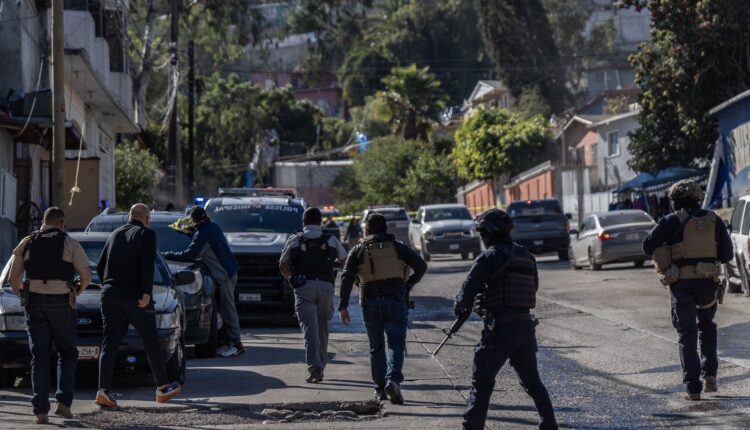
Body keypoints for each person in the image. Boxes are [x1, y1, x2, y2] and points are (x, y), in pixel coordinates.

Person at [455, 209, 557, 430]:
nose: (482, 236)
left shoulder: (488, 258)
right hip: (525, 328)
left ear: (489, 232)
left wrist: (462, 307)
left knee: (481, 382)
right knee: (532, 382)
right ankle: (549, 425)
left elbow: (464, 296)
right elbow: (533, 288)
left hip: (501, 329)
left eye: (482, 232)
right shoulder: (527, 257)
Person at [642, 180, 733, 400]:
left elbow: (647, 246)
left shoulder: (671, 221)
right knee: (707, 326)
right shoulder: (714, 220)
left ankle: (693, 387)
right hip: (708, 285)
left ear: (676, 201)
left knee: (687, 333)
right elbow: (727, 255)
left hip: (681, 285)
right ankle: (709, 374)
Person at [8, 207, 92, 424]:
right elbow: (86, 275)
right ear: (62, 223)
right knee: (67, 352)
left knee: (40, 356)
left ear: (43, 222)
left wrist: (23, 297)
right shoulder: (69, 243)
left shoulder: (27, 242)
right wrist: (77, 292)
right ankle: (64, 402)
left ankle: (40, 411)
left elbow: (13, 278)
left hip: (34, 302)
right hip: (62, 301)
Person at [95, 204, 182, 408]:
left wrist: (109, 286)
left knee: (109, 342)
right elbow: (146, 264)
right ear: (147, 218)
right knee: (151, 340)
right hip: (134, 297)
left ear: (129, 216)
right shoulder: (146, 234)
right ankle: (162, 388)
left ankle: (102, 391)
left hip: (110, 295)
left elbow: (100, 265)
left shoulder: (114, 234)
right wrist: (145, 293)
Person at [339, 212, 427, 404]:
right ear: (386, 228)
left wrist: (343, 305)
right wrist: (409, 284)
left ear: (367, 229)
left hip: (370, 302)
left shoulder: (359, 250)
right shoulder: (398, 247)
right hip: (396, 300)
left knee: (376, 347)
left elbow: (346, 278)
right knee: (395, 343)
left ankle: (379, 389)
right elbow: (421, 266)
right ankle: (393, 380)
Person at [162, 206, 244, 357]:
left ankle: (236, 345)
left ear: (194, 220)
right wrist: (190, 232)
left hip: (224, 275)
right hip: (229, 272)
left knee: (228, 310)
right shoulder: (212, 226)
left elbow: (191, 255)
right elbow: (202, 239)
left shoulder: (202, 233)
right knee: (223, 310)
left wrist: (164, 255)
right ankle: (227, 341)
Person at [279, 207, 348, 383]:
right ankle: (321, 366)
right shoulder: (331, 239)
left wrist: (291, 280)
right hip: (325, 287)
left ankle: (315, 369)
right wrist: (332, 267)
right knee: (322, 328)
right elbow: (344, 260)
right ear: (321, 222)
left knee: (310, 329)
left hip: (304, 288)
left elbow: (283, 265)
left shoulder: (295, 240)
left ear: (303, 222)